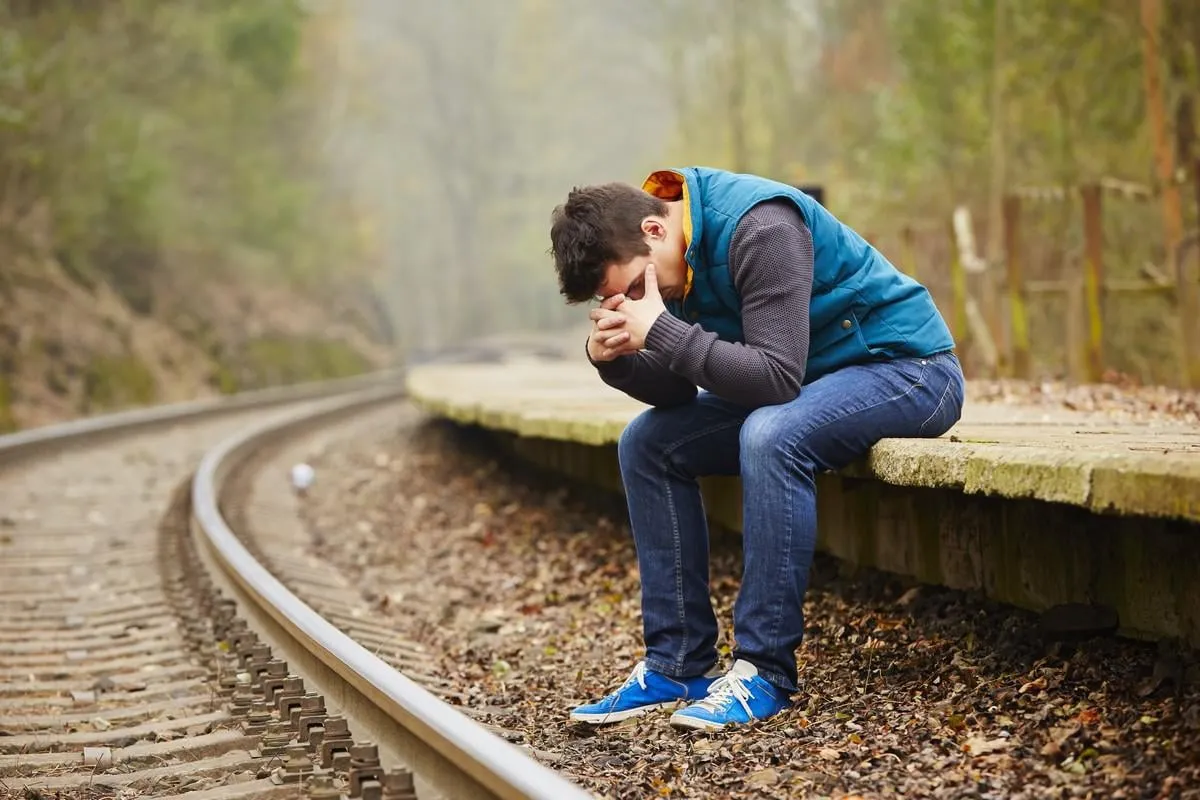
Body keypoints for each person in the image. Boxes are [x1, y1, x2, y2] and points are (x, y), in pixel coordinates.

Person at [548, 167, 964, 731]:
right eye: (615, 300)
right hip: (814, 387)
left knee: (770, 434)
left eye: (632, 288)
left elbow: (774, 379)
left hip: (905, 370)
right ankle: (677, 665)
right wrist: (615, 360)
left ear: (653, 228)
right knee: (648, 442)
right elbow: (675, 391)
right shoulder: (676, 254)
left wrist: (662, 330)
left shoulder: (759, 226)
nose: (633, 302)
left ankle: (762, 671)